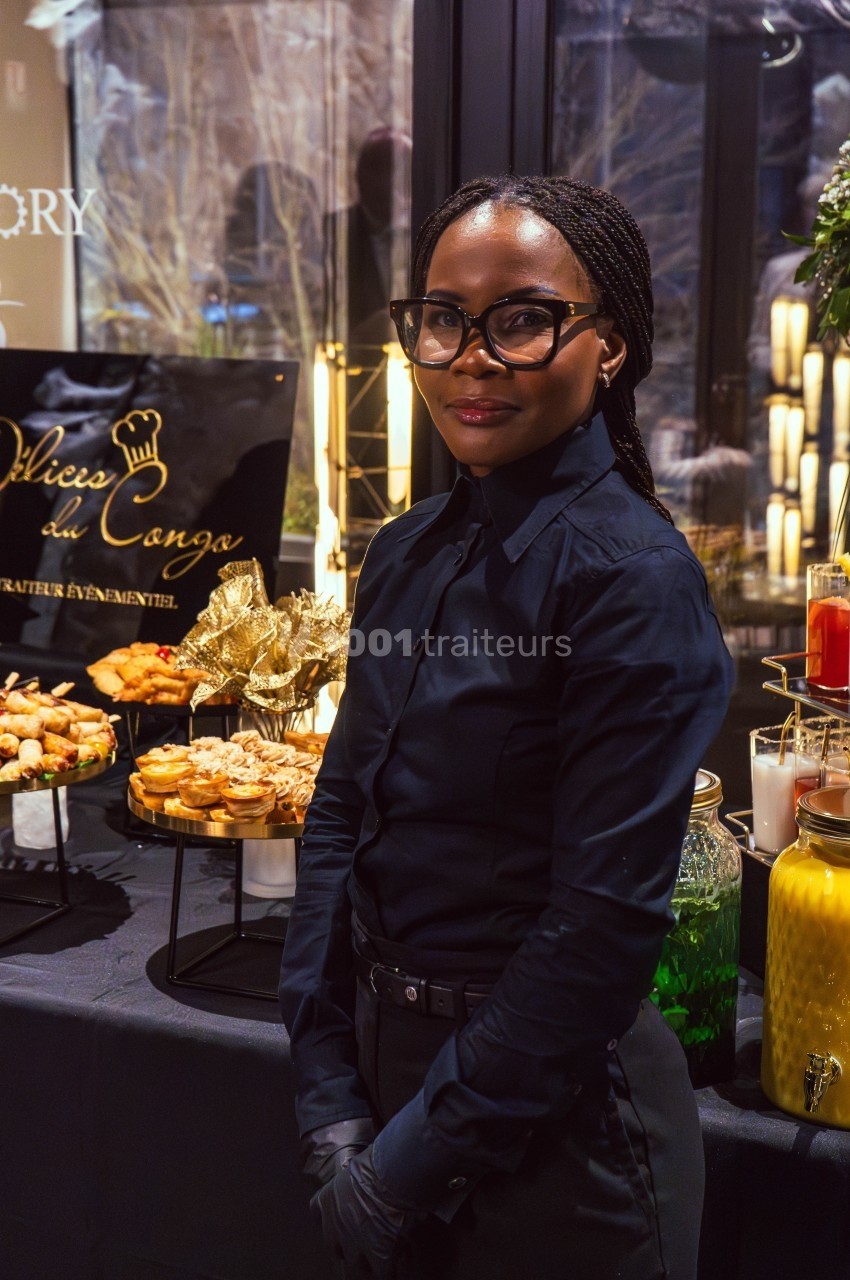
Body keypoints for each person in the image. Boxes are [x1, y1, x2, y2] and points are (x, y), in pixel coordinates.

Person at [279, 173, 734, 1280]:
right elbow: (336, 814)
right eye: (442, 320)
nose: (470, 358)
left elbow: (598, 928)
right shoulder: (407, 549)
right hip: (382, 1088)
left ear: (607, 344)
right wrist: (329, 1092)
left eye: (520, 319)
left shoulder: (632, 580)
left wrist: (410, 1163)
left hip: (560, 1138)